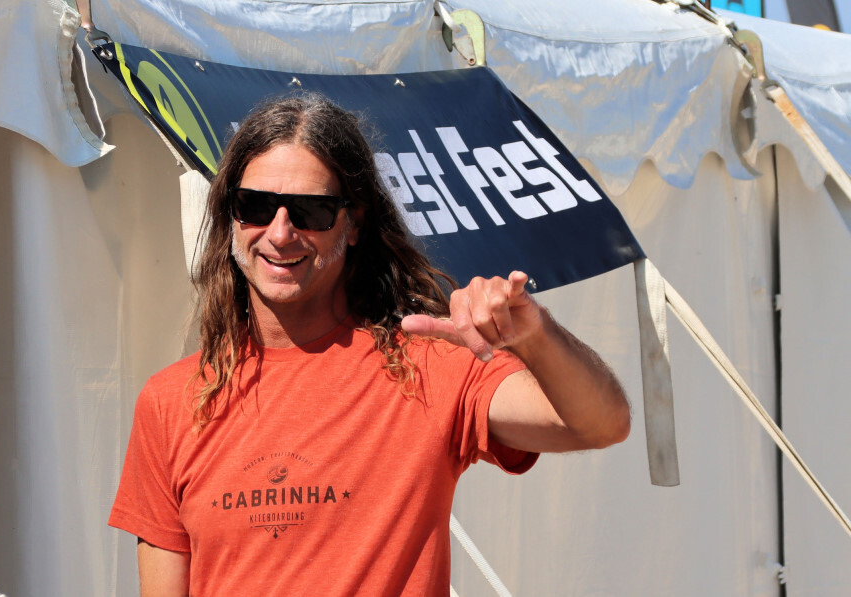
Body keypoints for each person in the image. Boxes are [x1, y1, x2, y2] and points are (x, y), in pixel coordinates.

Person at [109, 93, 630, 596]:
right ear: (230, 216)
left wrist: (535, 335)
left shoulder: (427, 364)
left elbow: (602, 423)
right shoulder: (172, 400)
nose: (281, 232)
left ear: (354, 223)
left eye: (311, 211)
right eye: (257, 206)